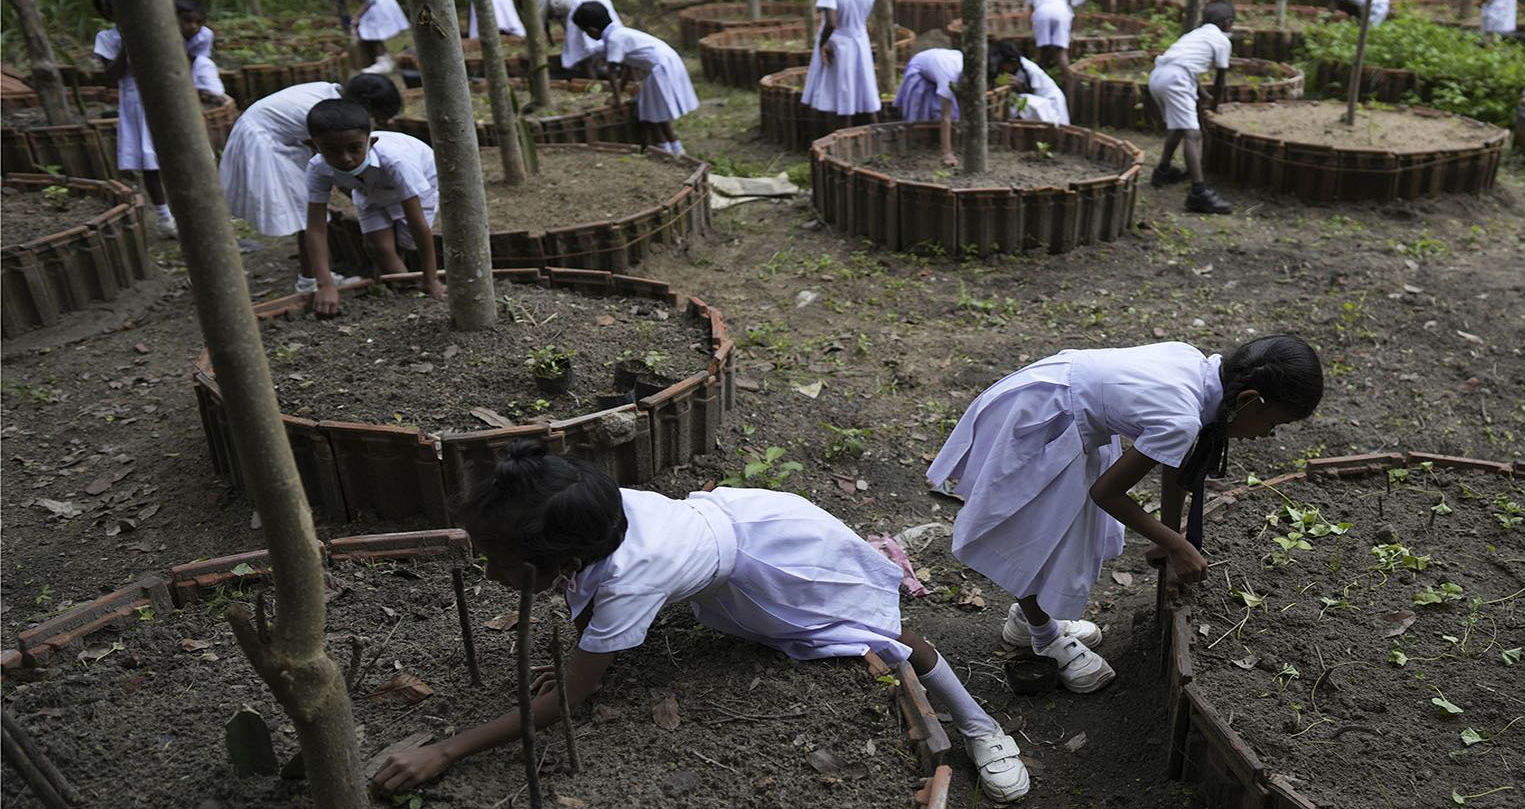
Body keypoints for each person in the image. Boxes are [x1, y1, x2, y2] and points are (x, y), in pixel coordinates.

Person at [370, 440, 1033, 803]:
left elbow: (573, 698)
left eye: (498, 562)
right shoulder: (588, 508)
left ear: (564, 561)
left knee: (885, 634)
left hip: (776, 556)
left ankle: (980, 724)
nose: (489, 572)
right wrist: (584, 653)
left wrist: (445, 749)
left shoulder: (628, 578)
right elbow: (588, 612)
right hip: (746, 524)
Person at [929, 336, 1324, 692]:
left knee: (1060, 527)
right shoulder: (1182, 416)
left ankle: (1027, 620)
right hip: (1041, 419)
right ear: (1249, 400)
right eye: (1274, 423)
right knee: (1038, 533)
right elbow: (1107, 493)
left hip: (1059, 403)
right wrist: (1177, 546)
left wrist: (1170, 537)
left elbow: (1176, 463)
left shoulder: (1196, 369)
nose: (1268, 435)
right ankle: (1044, 636)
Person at [219, 75, 402, 293]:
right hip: (266, 142)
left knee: (310, 212)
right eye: (375, 117)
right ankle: (310, 282)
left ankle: (316, 276)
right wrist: (367, 195)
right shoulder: (331, 117)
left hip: (277, 137)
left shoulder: (331, 97)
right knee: (309, 216)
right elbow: (333, 164)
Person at [93, 0, 227, 239]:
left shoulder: (167, 29)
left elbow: (192, 62)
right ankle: (165, 218)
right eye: (109, 11)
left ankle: (205, 206)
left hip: (175, 95)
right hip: (137, 100)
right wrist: (127, 45)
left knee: (190, 148)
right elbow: (110, 77)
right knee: (150, 160)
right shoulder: (107, 38)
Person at [300, 100, 440, 316]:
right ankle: (409, 297)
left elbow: (417, 223)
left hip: (416, 186)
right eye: (332, 150)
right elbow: (316, 228)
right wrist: (325, 284)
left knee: (405, 241)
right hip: (367, 191)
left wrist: (431, 278)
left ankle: (411, 287)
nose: (345, 159)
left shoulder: (397, 162)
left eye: (354, 148)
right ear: (313, 145)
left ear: (371, 142)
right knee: (378, 247)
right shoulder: (318, 169)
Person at [569, 2, 698, 156]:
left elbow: (611, 71)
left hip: (660, 69)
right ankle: (675, 147)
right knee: (657, 111)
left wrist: (616, 99)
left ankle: (664, 149)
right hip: (669, 63)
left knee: (649, 112)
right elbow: (628, 68)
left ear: (592, 30)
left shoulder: (615, 39)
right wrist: (620, 90)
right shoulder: (621, 33)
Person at [1148, 0, 1236, 215]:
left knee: (1178, 126)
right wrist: (1214, 104)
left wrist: (1204, 96)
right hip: (1177, 79)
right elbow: (1220, 79)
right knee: (1193, 135)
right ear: (1228, 23)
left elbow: (1187, 66)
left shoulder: (1194, 35)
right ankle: (1198, 193)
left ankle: (1163, 170)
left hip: (1158, 76)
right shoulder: (1222, 41)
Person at [800, 0, 882, 128]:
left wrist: (823, 43)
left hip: (837, 44)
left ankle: (842, 135)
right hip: (860, 42)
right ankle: (874, 135)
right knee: (864, 87)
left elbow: (831, 22)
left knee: (841, 91)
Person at [322, 0, 409, 75]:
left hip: (377, 2)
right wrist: (345, 20)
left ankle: (383, 61)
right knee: (364, 32)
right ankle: (375, 59)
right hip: (370, 4)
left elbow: (366, 0)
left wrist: (356, 17)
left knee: (373, 32)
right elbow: (342, 5)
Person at [895, 47, 969, 167]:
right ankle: (920, 144)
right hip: (920, 65)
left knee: (954, 112)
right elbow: (945, 117)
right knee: (921, 111)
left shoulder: (968, 67)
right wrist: (947, 154)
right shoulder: (948, 79)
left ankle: (942, 140)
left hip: (941, 60)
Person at [534, 0, 619, 75]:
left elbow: (537, 20)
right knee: (610, 36)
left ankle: (590, 73)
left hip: (579, 6)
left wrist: (534, 48)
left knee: (581, 49)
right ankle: (609, 67)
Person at [992, 39, 1069, 126]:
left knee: (1018, 103)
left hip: (1050, 105)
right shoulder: (1017, 67)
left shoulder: (1029, 69)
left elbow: (1030, 92)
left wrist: (1019, 86)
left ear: (1013, 62)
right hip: (1041, 104)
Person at [1025, 0, 1075, 72]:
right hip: (1063, 14)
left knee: (1041, 49)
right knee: (1061, 50)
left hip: (1043, 12)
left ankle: (1037, 76)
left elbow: (1029, 9)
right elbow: (1070, 13)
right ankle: (1068, 79)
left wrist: (1030, 27)